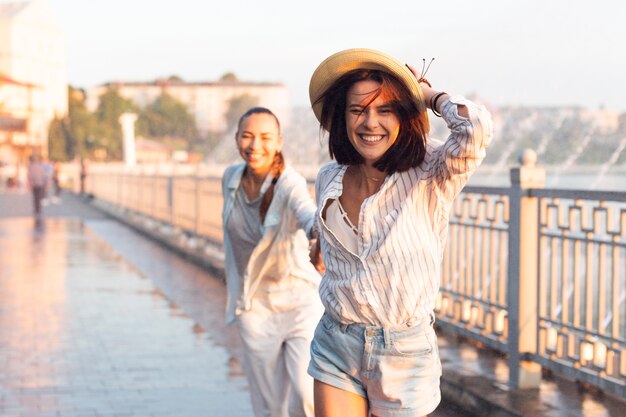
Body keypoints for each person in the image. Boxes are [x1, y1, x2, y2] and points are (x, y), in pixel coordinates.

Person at [306, 48, 493, 417]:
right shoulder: (330, 177)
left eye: (385, 109)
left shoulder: (431, 172)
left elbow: (477, 128)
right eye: (358, 110)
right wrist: (319, 243)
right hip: (336, 340)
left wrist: (426, 95)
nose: (370, 122)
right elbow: (329, 229)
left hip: (403, 353)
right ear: (343, 118)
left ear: (403, 115)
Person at [221, 107, 324, 417]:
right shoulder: (230, 179)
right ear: (237, 139)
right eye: (247, 136)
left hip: (299, 303)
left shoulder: (288, 182)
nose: (255, 146)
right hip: (255, 306)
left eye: (265, 137)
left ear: (279, 141)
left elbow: (307, 211)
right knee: (268, 407)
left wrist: (319, 233)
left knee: (307, 393)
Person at [26, 154, 48, 220]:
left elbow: (29, 176)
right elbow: (44, 176)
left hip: (34, 184)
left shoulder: (31, 167)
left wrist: (31, 182)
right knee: (39, 196)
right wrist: (45, 183)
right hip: (40, 184)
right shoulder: (41, 167)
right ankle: (38, 208)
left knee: (35, 197)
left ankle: (36, 208)